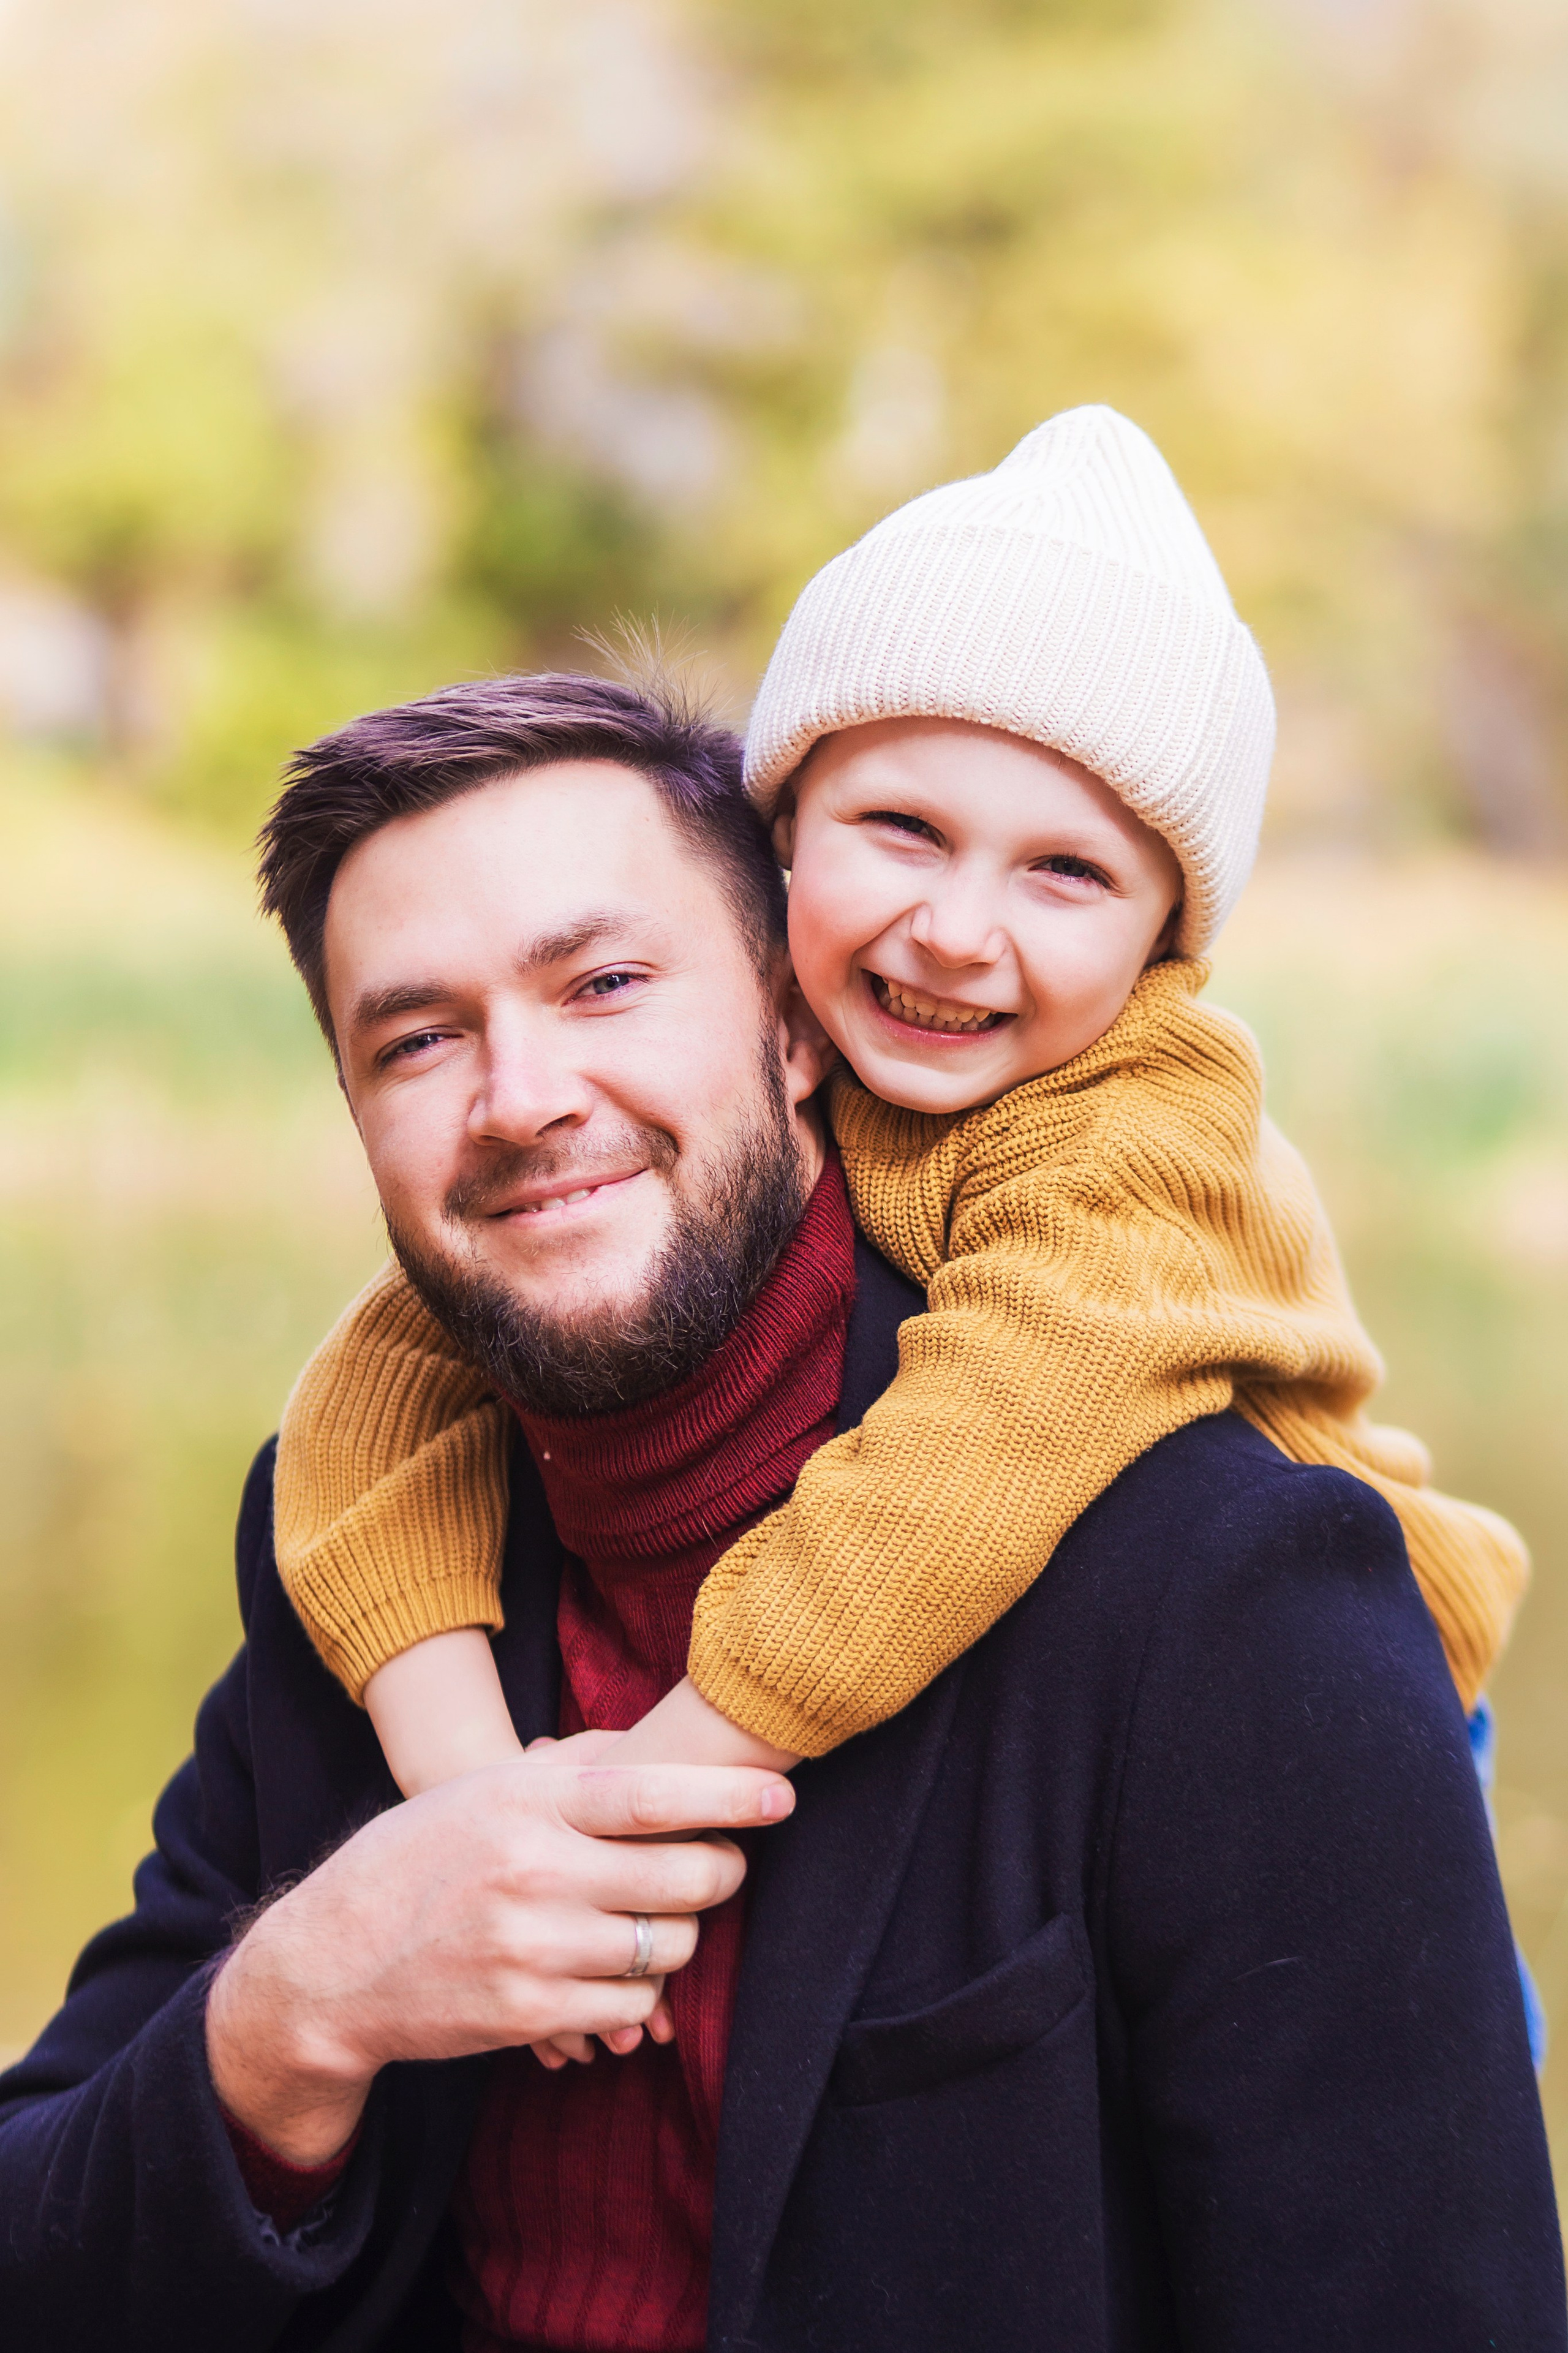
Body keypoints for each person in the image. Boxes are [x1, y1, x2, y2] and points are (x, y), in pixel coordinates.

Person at [0, 665, 1560, 2351]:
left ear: (797, 1018)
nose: (519, 1098)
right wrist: (299, 2008)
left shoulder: (1211, 1579)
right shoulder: (373, 1551)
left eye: (602, 982)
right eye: (418, 1038)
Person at [271, 410, 1527, 1976]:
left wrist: (647, 1782)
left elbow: (970, 1458)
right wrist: (465, 1783)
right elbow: (373, 1388)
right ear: (783, 837)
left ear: (1162, 946)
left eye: (1063, 873)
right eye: (902, 829)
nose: (951, 928)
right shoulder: (789, 1064)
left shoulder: (1137, 1125)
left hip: (1325, 1695)